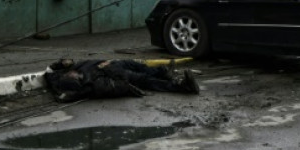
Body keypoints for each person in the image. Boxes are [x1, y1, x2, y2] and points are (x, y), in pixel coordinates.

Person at [44, 58, 200, 102]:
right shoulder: (91, 85)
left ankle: (162, 72)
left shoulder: (70, 72)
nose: (72, 72)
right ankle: (182, 86)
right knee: (143, 79)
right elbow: (117, 84)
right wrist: (108, 69)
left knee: (134, 64)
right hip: (115, 74)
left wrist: (61, 63)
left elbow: (49, 72)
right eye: (72, 75)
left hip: (112, 66)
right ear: (75, 81)